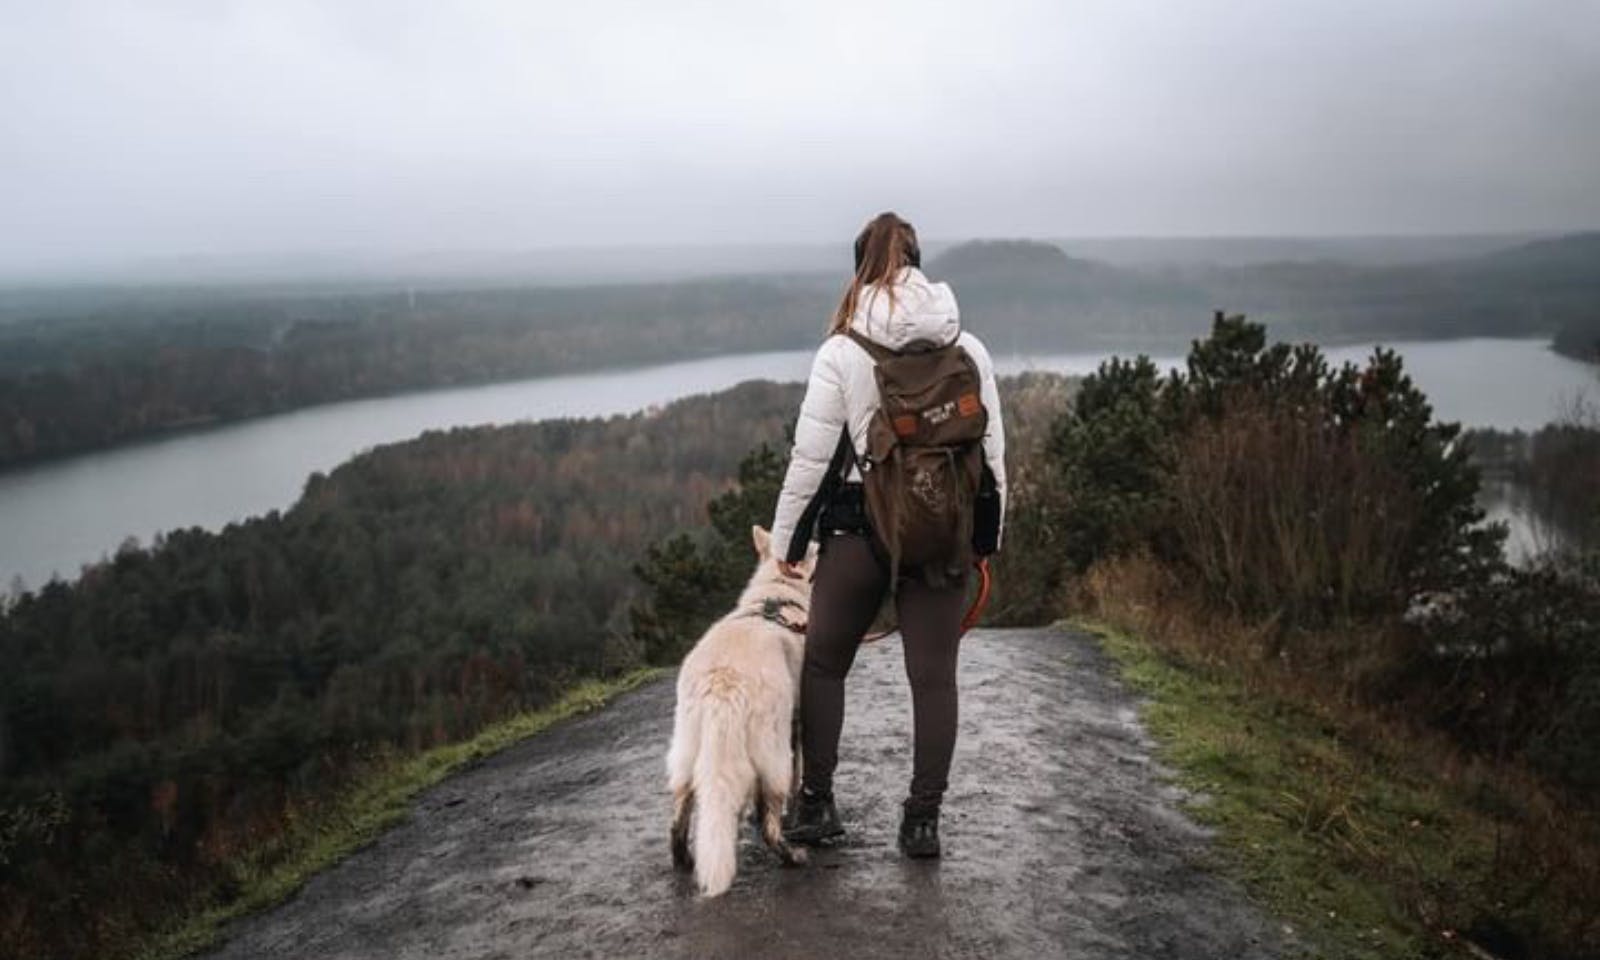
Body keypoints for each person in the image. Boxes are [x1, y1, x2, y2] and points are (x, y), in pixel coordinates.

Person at [769, 211, 1006, 858]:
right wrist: (986, 542)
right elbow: (992, 459)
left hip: (857, 531)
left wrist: (788, 548)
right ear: (920, 264)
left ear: (860, 270)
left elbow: (810, 463)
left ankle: (815, 803)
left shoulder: (842, 350)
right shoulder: (969, 349)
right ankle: (922, 821)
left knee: (823, 664)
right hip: (943, 536)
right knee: (934, 680)